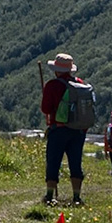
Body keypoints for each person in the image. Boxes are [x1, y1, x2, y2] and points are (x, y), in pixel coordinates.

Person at [40, 53, 88, 206]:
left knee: (53, 161)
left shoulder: (52, 85)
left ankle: (49, 196)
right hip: (78, 131)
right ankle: (76, 197)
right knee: (76, 162)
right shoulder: (80, 84)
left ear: (56, 70)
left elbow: (45, 108)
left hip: (58, 129)